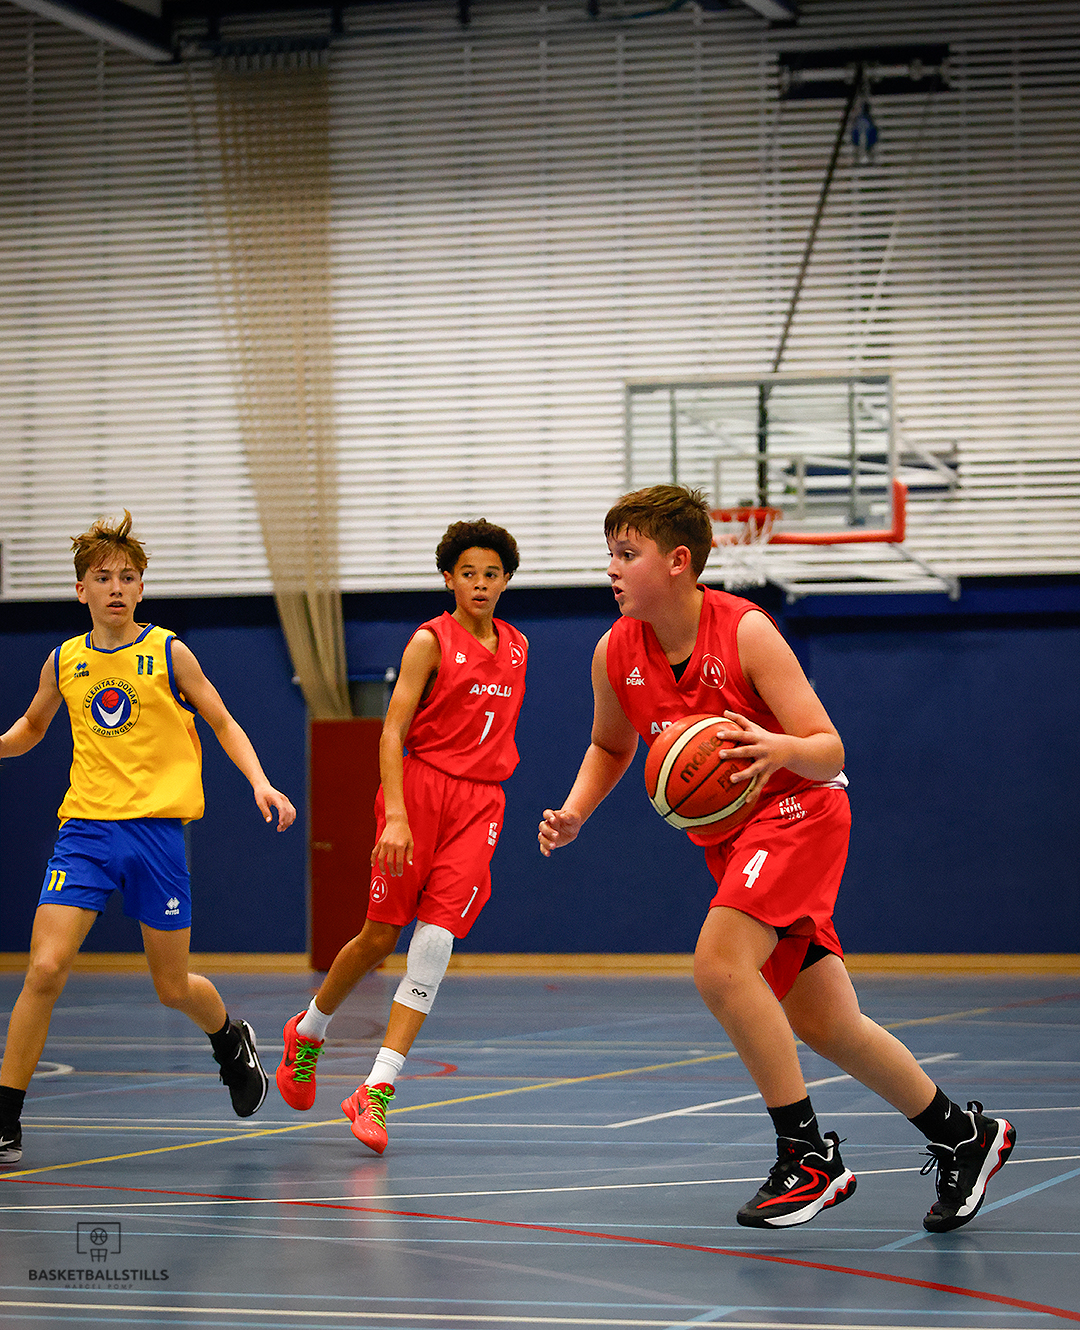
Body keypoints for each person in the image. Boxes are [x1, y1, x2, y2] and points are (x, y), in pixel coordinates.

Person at [538, 485, 1015, 1232]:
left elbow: (829, 750)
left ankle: (807, 1156)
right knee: (827, 1023)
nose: (612, 568)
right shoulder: (614, 651)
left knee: (720, 963)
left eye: (628, 553)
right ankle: (964, 1136)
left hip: (801, 814)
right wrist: (575, 812)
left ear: (678, 561)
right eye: (611, 554)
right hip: (735, 842)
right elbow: (609, 745)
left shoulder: (746, 632)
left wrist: (777, 747)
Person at [0, 511, 296, 1168]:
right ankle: (4, 1119)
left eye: (128, 577)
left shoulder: (168, 652)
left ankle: (229, 1039)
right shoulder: (63, 660)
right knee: (44, 969)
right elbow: (31, 728)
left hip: (156, 837)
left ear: (141, 588)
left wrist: (261, 782)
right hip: (84, 833)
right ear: (81, 589)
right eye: (103, 577)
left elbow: (222, 720)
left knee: (171, 987)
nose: (116, 587)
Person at [276, 519, 527, 1154]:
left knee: (435, 941)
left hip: (482, 804)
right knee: (379, 937)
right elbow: (391, 732)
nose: (479, 584)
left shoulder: (519, 647)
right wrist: (394, 815)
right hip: (418, 793)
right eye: (467, 573)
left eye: (491, 574)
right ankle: (308, 1031)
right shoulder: (429, 642)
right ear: (449, 579)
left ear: (505, 580)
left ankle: (377, 1089)